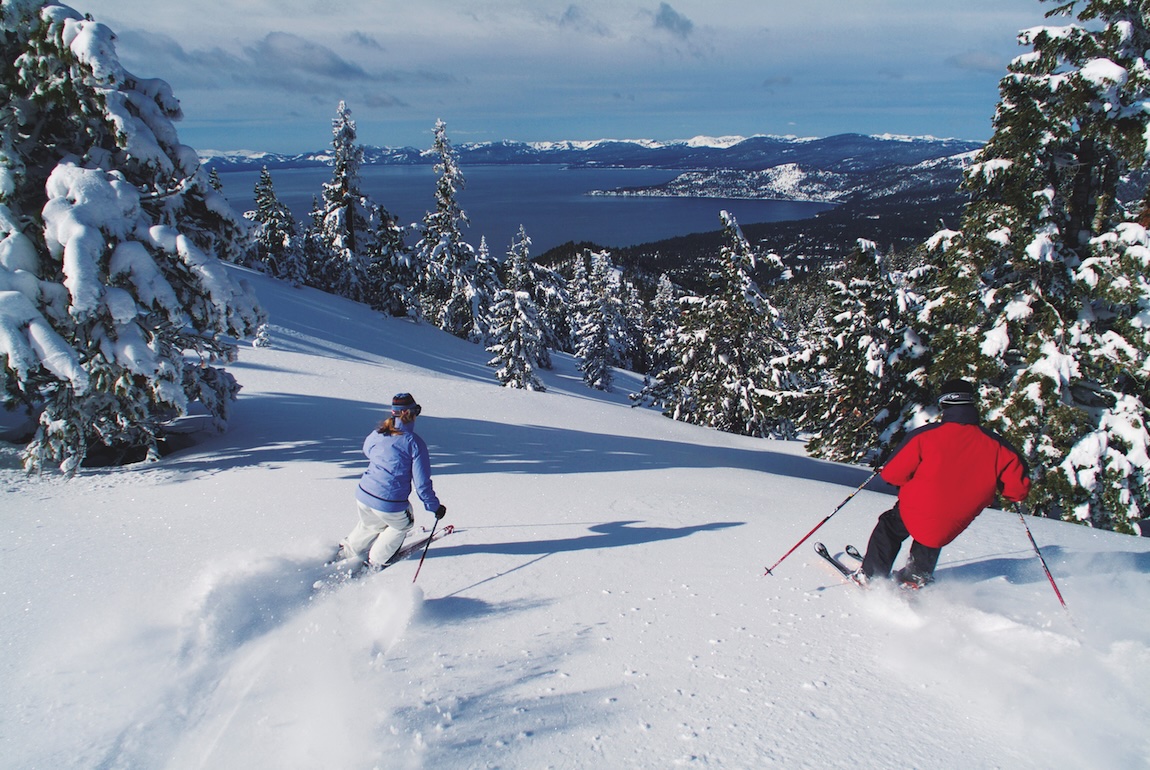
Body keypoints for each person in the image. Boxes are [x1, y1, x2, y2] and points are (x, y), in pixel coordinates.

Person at [853, 378, 1031, 588]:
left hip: (917, 506)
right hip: (957, 517)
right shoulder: (998, 445)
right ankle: (916, 577)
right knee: (934, 531)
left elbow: (892, 475)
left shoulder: (926, 435)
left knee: (890, 527)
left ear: (944, 403)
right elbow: (1017, 491)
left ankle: (872, 576)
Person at [336, 392, 447, 569]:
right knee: (403, 524)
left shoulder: (378, 433)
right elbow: (422, 485)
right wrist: (435, 507)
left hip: (364, 494)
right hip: (389, 502)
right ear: (410, 413)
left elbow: (367, 450)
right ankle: (377, 560)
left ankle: (347, 551)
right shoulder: (414, 443)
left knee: (371, 524)